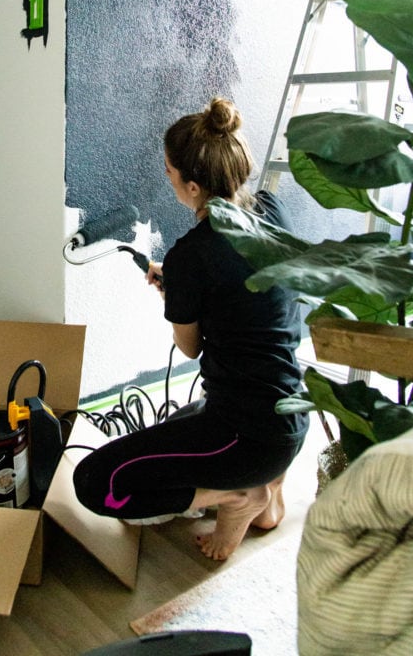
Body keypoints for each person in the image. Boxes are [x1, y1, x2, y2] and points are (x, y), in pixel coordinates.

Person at [73, 96, 309, 560]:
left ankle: (238, 497)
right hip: (290, 415)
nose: (167, 177)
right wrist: (183, 286)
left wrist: (179, 287)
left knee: (98, 484)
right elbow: (247, 299)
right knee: (178, 424)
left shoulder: (191, 255)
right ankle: (268, 489)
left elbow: (190, 349)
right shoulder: (271, 209)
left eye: (169, 170)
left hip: (247, 434)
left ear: (194, 186)